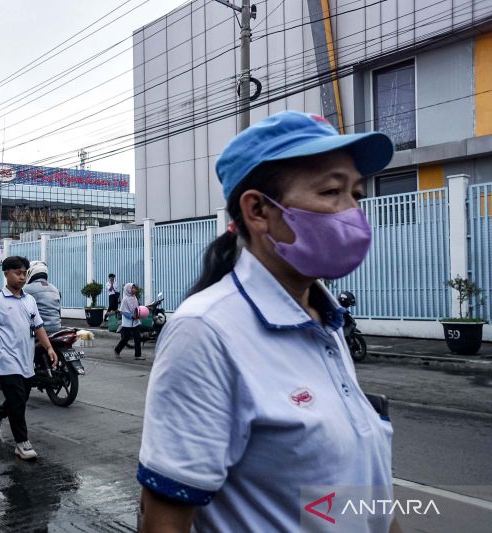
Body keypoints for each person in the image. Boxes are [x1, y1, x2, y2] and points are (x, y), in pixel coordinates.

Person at [137, 111, 398, 532]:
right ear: (257, 210)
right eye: (332, 191)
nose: (352, 213)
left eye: (357, 194)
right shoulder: (206, 332)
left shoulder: (325, 321)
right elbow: (164, 522)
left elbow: (352, 499)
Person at [0, 256, 58, 461]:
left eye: (25, 273)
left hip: (26, 359)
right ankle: (22, 444)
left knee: (20, 399)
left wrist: (49, 348)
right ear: (6, 273)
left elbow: (39, 327)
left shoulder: (29, 300)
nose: (22, 277)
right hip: (5, 360)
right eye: (18, 273)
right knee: (18, 401)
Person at [22, 261, 62, 335]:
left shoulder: (26, 289)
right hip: (57, 328)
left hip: (39, 330)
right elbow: (58, 311)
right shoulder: (55, 289)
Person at [114, 283, 143, 360]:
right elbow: (123, 311)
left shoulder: (134, 298)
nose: (134, 289)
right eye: (132, 288)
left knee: (137, 338)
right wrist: (131, 316)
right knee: (126, 338)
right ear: (128, 289)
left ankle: (138, 355)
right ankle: (117, 350)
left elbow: (136, 308)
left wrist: (138, 314)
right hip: (127, 322)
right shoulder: (125, 299)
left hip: (136, 321)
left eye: (134, 288)